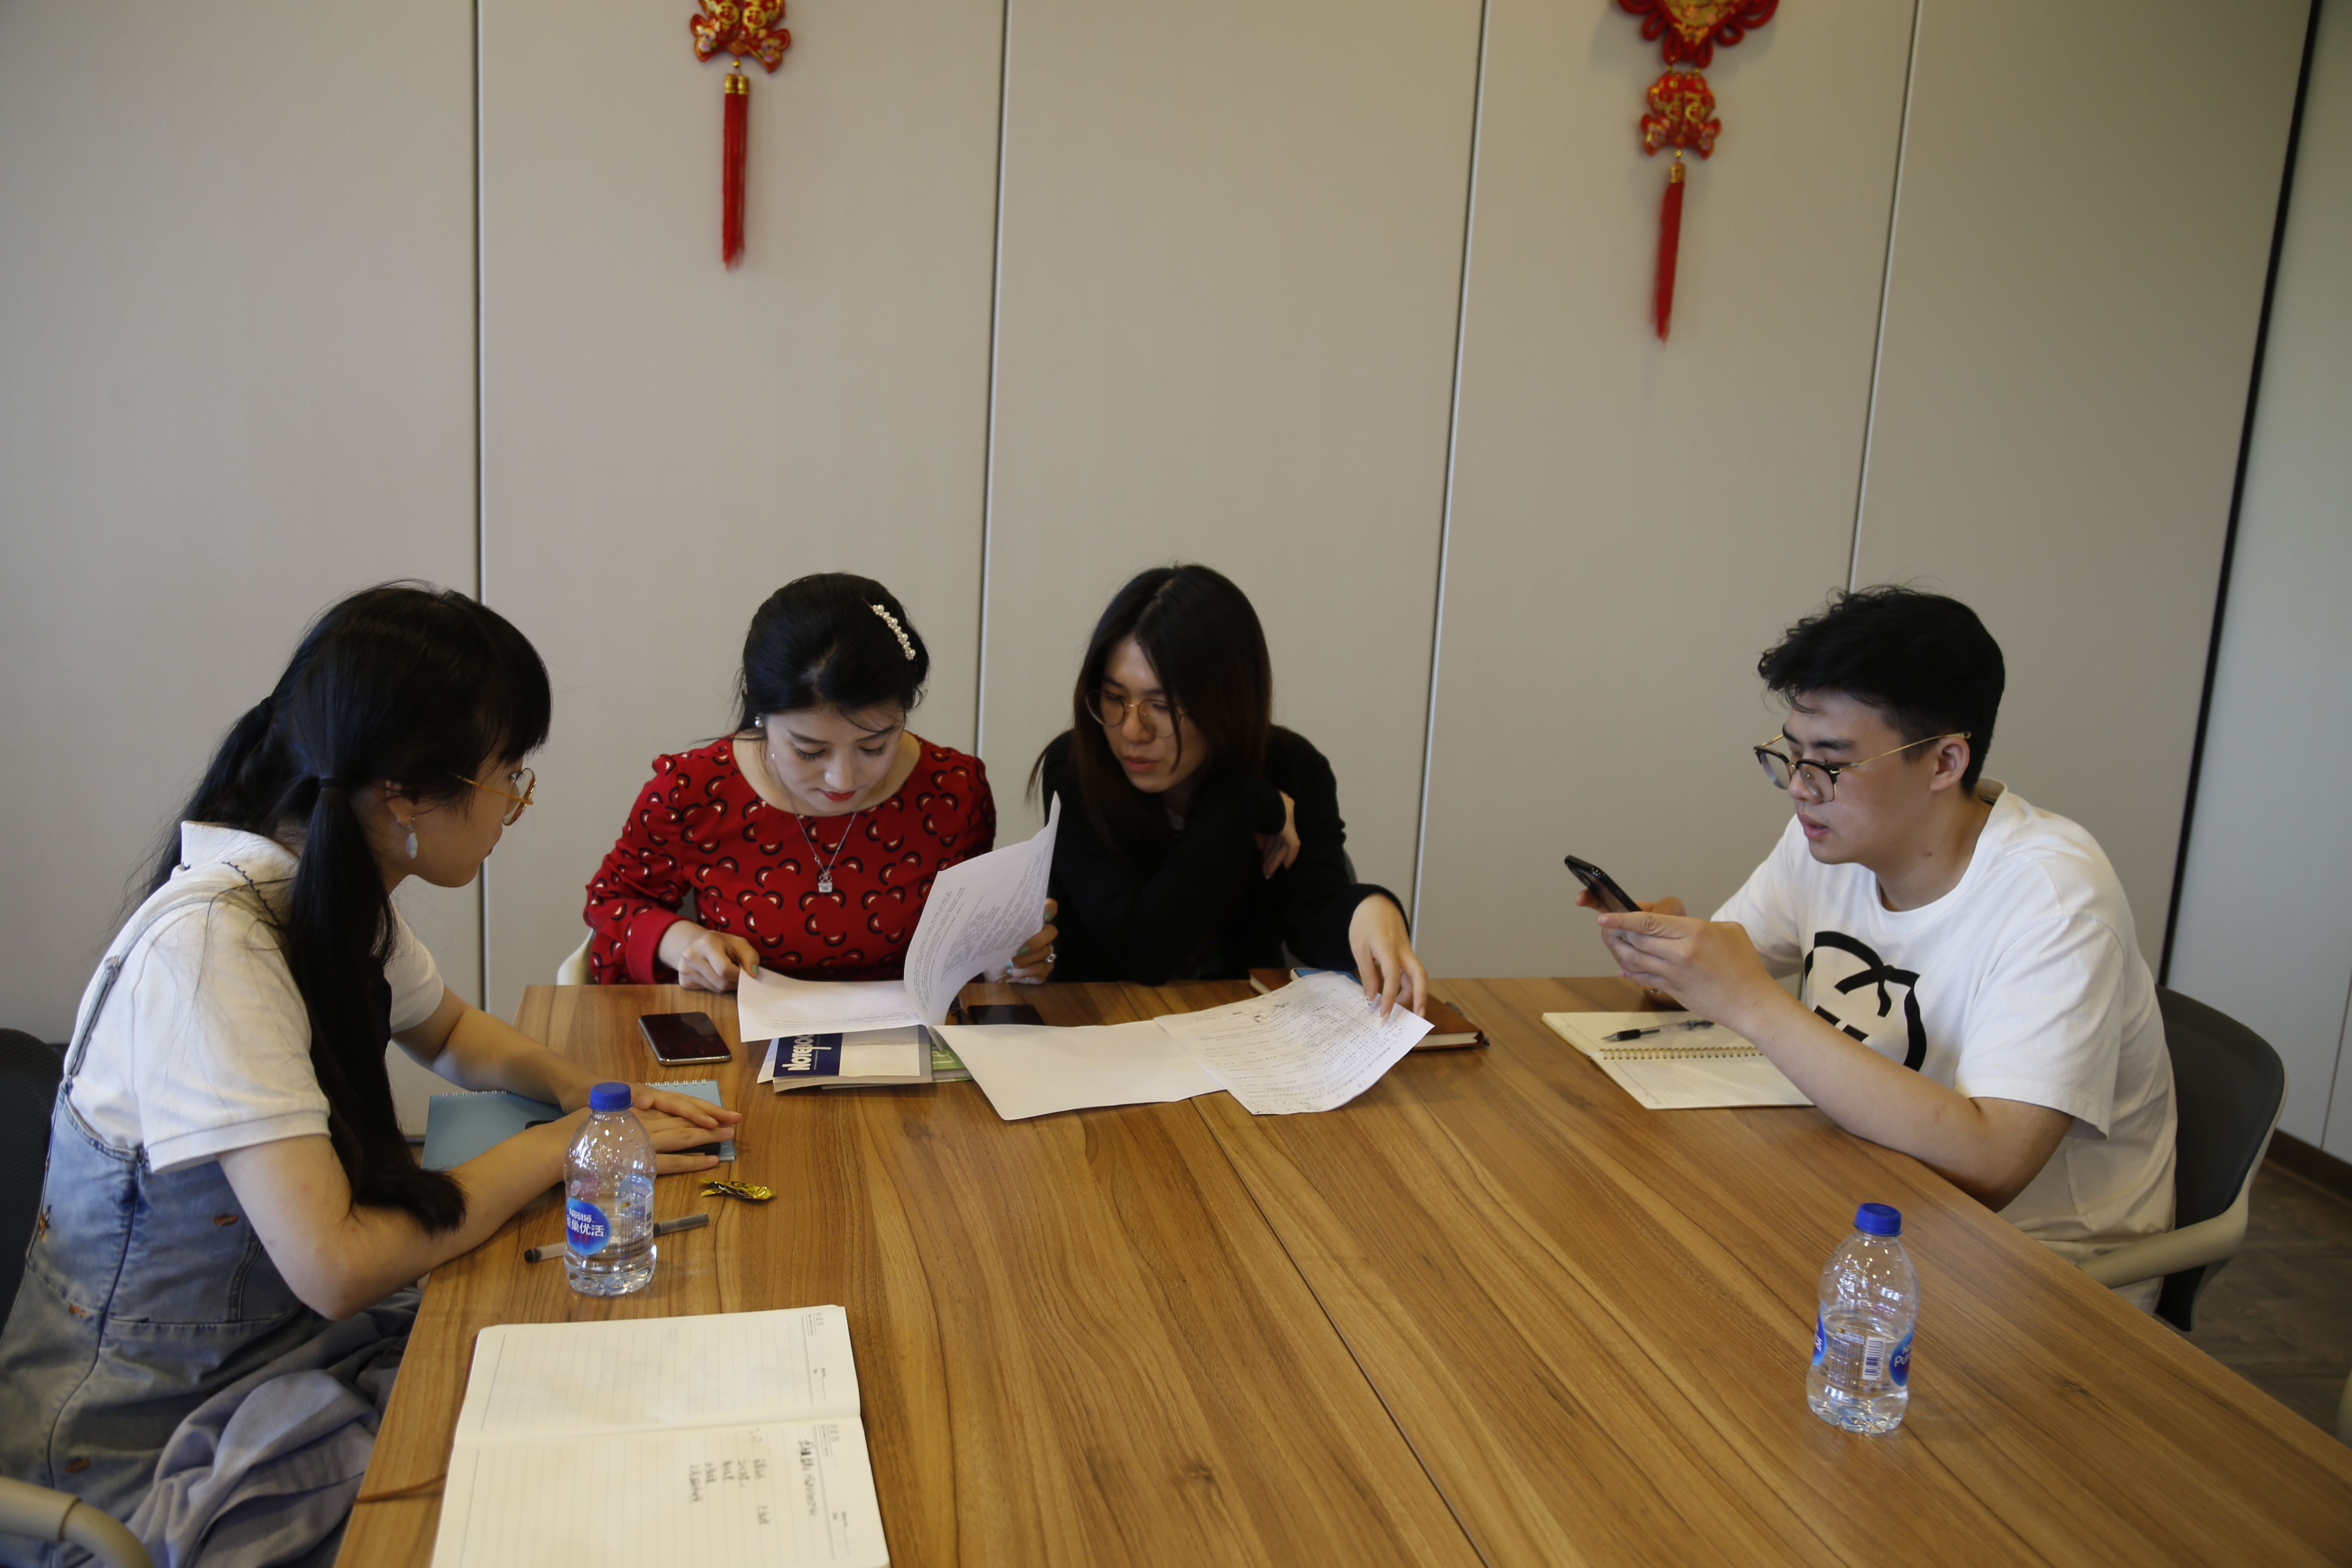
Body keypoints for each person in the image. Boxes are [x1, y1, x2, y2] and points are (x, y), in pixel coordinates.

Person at [0, 585, 738, 1565]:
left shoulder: (321, 886)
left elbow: (450, 1031)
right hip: (145, 1448)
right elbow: (338, 1264)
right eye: (507, 775)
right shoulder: (213, 950)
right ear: (404, 796)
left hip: (275, 1354)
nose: (515, 804)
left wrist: (577, 1092)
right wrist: (559, 1148)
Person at [1583, 587, 2177, 1305]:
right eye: (1791, 756)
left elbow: (1993, 1166)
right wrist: (1673, 955)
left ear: (1944, 762)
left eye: (1831, 763)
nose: (1801, 789)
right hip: (1861, 1202)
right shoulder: (1828, 838)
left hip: (2032, 1275)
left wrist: (1752, 1002)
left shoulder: (2055, 899)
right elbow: (1725, 976)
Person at [585, 574, 1056, 989]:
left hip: (903, 1042)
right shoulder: (694, 790)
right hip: (741, 1035)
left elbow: (967, 944)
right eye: (809, 751)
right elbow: (612, 900)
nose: (843, 778)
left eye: (874, 747)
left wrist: (1004, 960)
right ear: (759, 709)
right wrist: (680, 941)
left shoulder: (952, 790)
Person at [1033, 564, 1427, 1016]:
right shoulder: (1078, 767)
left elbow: (1313, 922)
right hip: (1098, 1025)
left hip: (1243, 1029)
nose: (1132, 732)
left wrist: (1372, 908)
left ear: (1227, 702)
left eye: (1160, 705)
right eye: (1114, 698)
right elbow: (1143, 950)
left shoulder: (1293, 767)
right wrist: (1244, 802)